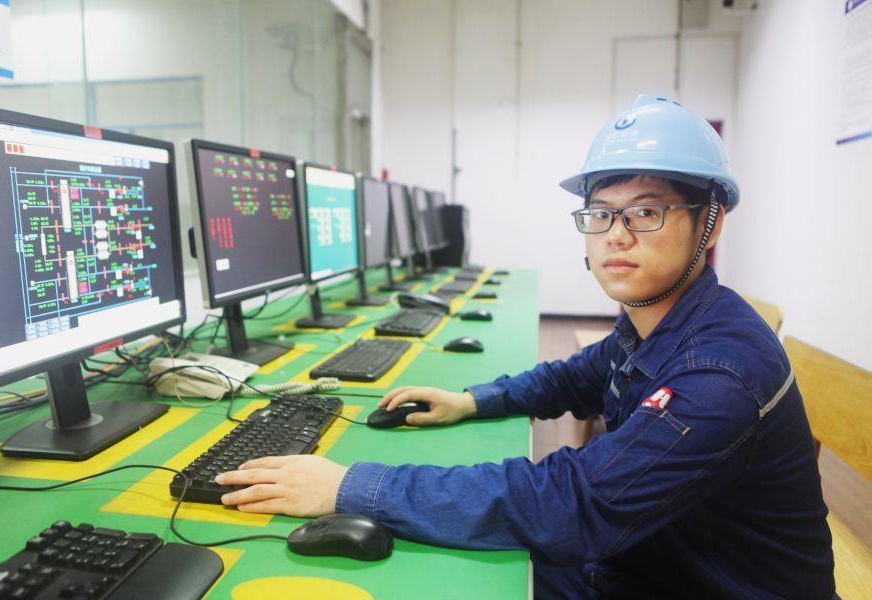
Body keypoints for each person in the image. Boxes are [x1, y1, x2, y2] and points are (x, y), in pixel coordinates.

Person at [215, 95, 836, 599]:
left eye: (647, 212)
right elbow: (576, 376)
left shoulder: (717, 374)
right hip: (655, 557)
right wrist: (471, 401)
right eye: (601, 213)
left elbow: (572, 504)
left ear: (711, 221)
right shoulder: (661, 322)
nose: (616, 236)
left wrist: (351, 487)